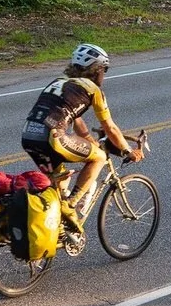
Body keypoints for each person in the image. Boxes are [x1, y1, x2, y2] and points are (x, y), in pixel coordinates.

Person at [20, 43, 143, 255]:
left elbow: (74, 118)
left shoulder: (59, 82)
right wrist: (127, 151)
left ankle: (52, 228)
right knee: (100, 157)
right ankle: (72, 204)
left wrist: (87, 139)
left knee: (59, 182)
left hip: (29, 135)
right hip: (52, 137)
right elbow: (111, 128)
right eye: (105, 69)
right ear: (97, 69)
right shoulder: (93, 90)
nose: (104, 74)